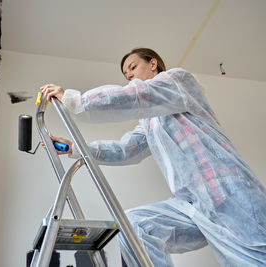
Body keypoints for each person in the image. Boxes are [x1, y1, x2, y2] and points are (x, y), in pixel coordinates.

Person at [40, 48, 266, 267]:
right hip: (191, 207)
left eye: (133, 67)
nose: (129, 76)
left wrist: (74, 99)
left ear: (152, 63)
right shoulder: (150, 122)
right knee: (135, 225)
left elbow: (139, 94)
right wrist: (74, 148)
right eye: (126, 74)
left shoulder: (179, 81)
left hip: (229, 193)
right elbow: (125, 150)